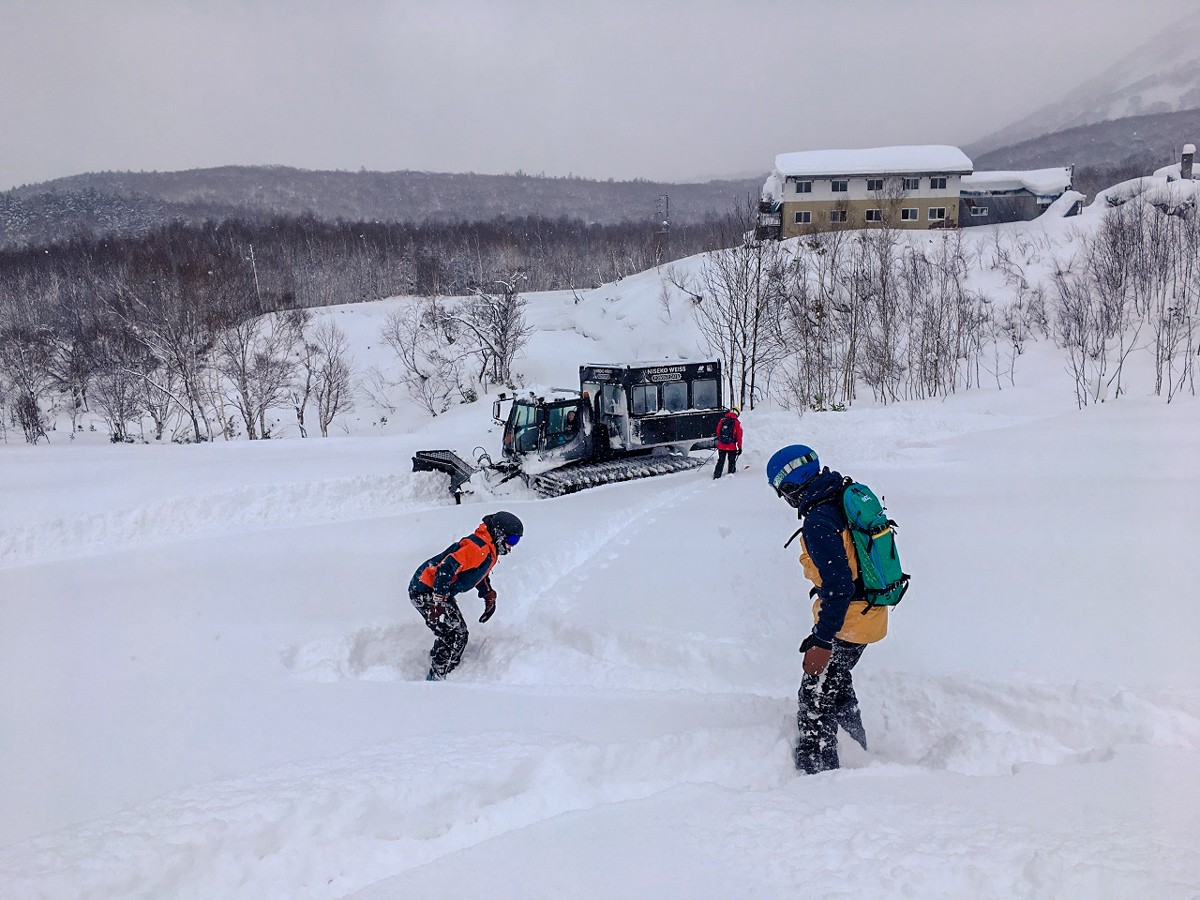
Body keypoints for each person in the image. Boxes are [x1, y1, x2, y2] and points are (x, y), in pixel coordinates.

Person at [766, 445, 887, 774]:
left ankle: (819, 778)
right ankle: (857, 748)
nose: (784, 500)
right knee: (837, 682)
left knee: (816, 697)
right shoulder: (838, 496)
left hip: (849, 621)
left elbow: (839, 587)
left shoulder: (819, 522)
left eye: (782, 493)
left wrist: (821, 640)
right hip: (868, 613)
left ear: (792, 487)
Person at [409, 511, 524, 681]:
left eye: (516, 541)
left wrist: (487, 594)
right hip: (425, 590)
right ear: (499, 534)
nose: (511, 546)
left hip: (439, 591)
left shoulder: (489, 549)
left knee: (456, 632)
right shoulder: (477, 548)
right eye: (512, 540)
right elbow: (445, 570)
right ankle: (437, 679)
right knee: (454, 633)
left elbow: (477, 573)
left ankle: (444, 665)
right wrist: (438, 603)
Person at [713, 407, 743, 478]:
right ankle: (731, 474)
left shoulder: (722, 420)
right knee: (731, 461)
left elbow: (718, 431)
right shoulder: (737, 423)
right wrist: (739, 447)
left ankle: (717, 475)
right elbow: (739, 437)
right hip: (731, 446)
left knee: (721, 460)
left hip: (721, 445)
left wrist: (721, 439)